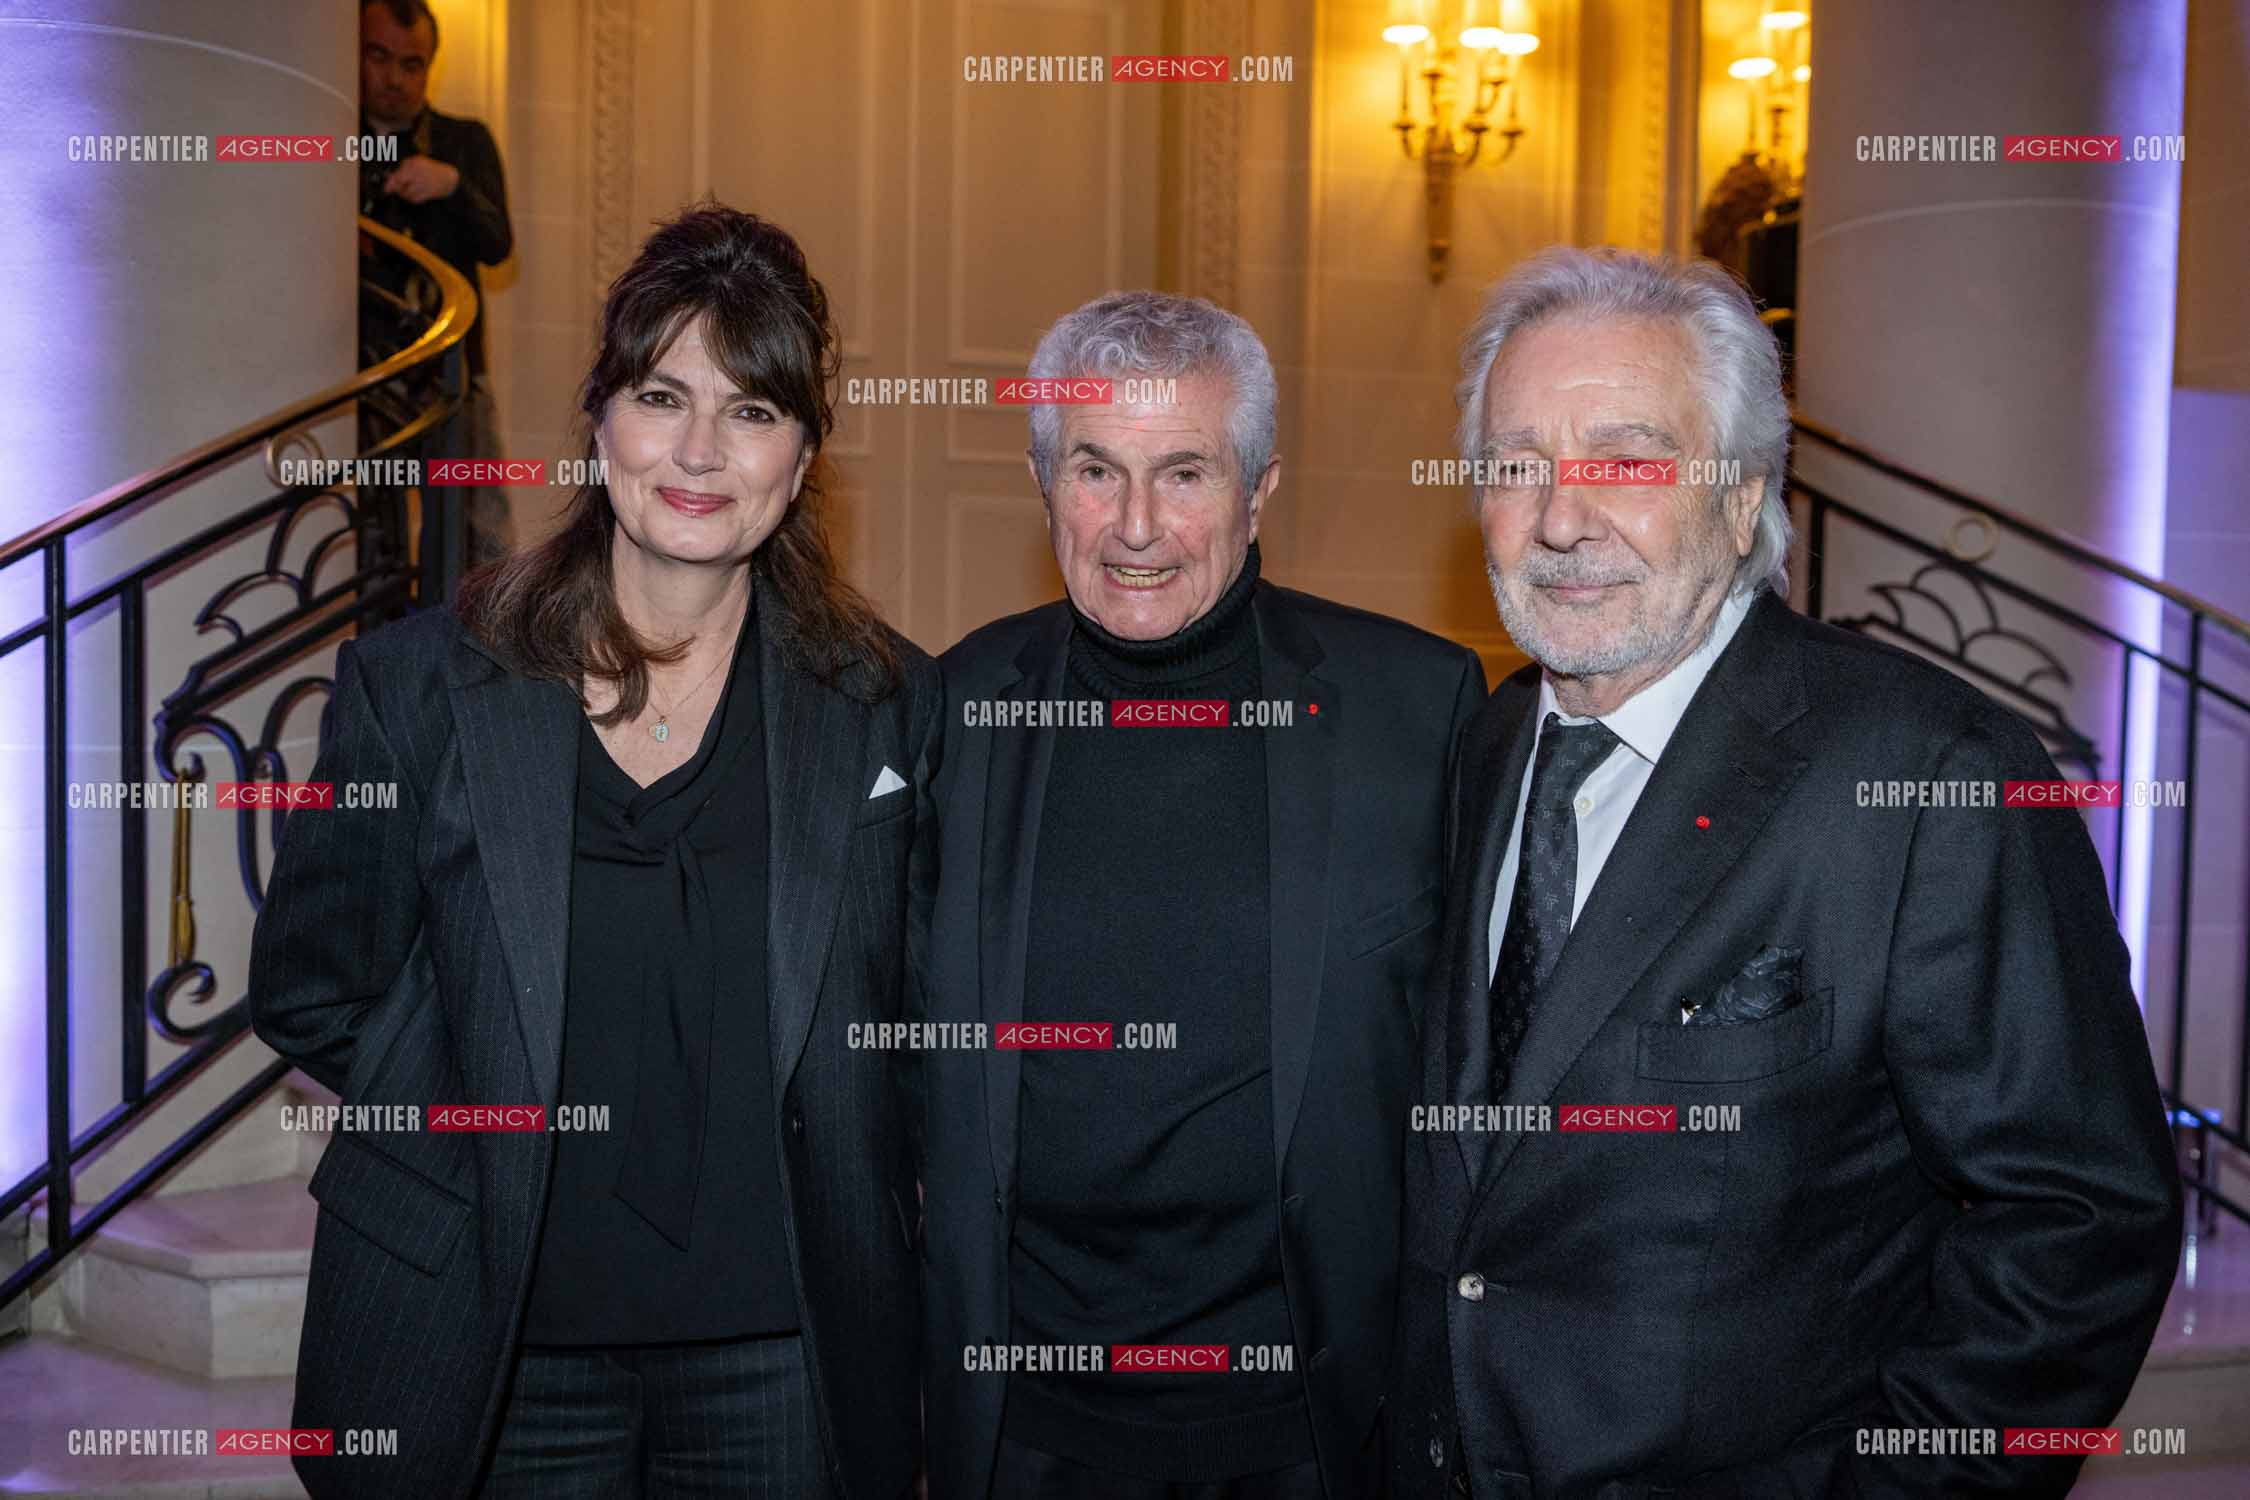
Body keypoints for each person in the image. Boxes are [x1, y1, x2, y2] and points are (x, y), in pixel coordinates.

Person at [1393, 246, 2182, 1499]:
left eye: (1628, 461)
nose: (1559, 518)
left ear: (1742, 494)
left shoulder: (1933, 776)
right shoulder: (1487, 745)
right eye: (1516, 464)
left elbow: (2080, 1222)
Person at [251, 205, 934, 1499]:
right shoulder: (420, 687)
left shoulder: (888, 703)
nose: (698, 451)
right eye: (661, 395)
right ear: (600, 417)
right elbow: (313, 989)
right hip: (493, 1335)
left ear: (802, 455)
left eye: (750, 410)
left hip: (785, 1344)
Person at [915, 291, 1486, 1499]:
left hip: (1313, 1429)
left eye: (1184, 473)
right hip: (1024, 1428)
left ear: (1260, 486)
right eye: (1095, 471)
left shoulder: (1418, 709)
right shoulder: (948, 710)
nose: (1137, 528)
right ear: (1042, 480)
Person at [358, 0, 516, 565]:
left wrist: (453, 186)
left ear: (431, 66)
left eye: (412, 64)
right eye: (379, 57)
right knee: (367, 541)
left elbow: (500, 246)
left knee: (477, 537)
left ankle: (474, 628)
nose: (394, 78)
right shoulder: (329, 139)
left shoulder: (463, 141)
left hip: (454, 376)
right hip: (359, 379)